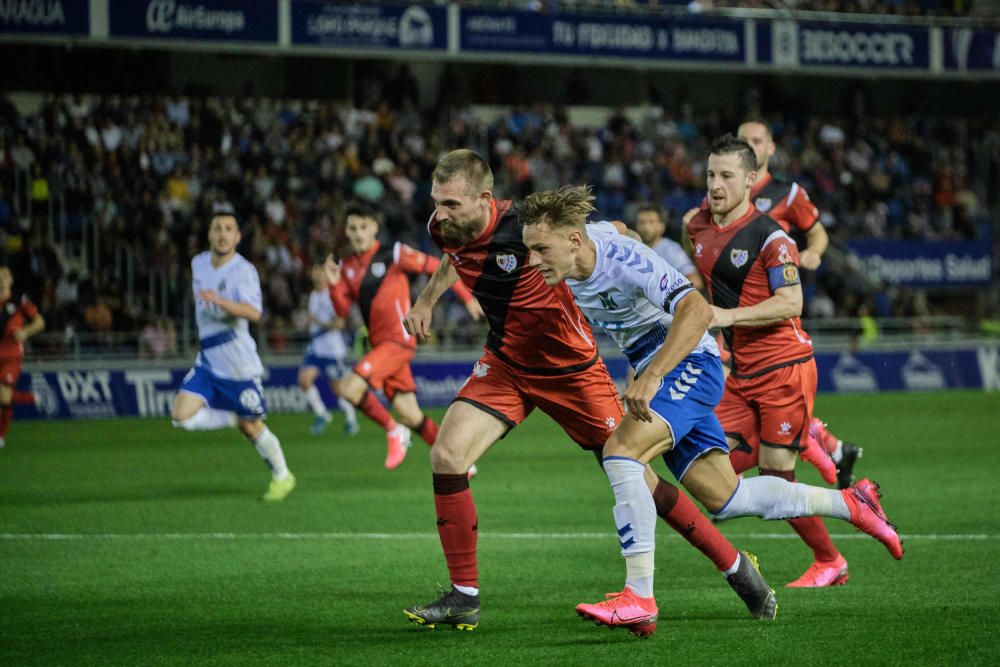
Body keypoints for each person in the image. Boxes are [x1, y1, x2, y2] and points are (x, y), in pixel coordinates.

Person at [402, 149, 776, 633]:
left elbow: (612, 234)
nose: (441, 214)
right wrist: (427, 298)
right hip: (507, 363)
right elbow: (454, 256)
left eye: (452, 204)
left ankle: (735, 566)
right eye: (438, 203)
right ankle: (463, 597)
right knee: (447, 454)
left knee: (634, 474)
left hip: (572, 371)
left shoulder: (528, 227)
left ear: (485, 199)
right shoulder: (443, 227)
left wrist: (635, 247)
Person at [520, 185, 902, 637]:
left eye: (540, 249)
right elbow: (618, 228)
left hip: (690, 364)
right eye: (528, 249)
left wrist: (654, 374)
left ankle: (638, 596)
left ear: (574, 241)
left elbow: (697, 310)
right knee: (726, 498)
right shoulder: (594, 240)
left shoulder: (623, 263)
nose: (533, 261)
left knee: (621, 454)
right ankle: (850, 503)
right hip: (663, 363)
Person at [686, 134, 896, 587]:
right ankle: (829, 466)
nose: (716, 184)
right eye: (710, 175)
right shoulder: (696, 227)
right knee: (710, 469)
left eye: (726, 176)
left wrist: (727, 316)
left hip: (785, 367)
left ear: (749, 181)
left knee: (774, 476)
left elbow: (791, 302)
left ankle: (830, 559)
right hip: (739, 371)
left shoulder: (772, 236)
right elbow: (710, 283)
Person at [737, 118, 861, 488]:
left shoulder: (787, 194)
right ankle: (833, 450)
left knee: (762, 413)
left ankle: (827, 460)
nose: (750, 146)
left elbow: (816, 232)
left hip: (772, 311)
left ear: (771, 148)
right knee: (762, 412)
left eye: (757, 140)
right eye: (743, 140)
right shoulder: (721, 191)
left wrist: (814, 253)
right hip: (733, 314)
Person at [322, 202, 480, 470]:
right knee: (410, 414)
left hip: (398, 340)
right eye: (353, 228)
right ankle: (461, 461)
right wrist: (334, 283)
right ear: (346, 232)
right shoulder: (347, 267)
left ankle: (393, 430)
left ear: (374, 228)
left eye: (363, 226)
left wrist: (466, 297)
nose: (358, 233)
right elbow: (341, 310)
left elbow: (438, 267)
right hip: (379, 344)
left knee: (349, 388)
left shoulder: (392, 254)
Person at [170, 206, 296, 502]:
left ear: (237, 237)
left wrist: (220, 302)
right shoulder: (198, 263)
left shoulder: (244, 271)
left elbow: (254, 312)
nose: (222, 234)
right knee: (180, 416)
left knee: (252, 426)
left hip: (238, 364)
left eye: (229, 229)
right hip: (208, 360)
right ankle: (231, 415)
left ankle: (282, 475)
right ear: (209, 234)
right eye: (217, 228)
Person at [299, 264, 359, 437]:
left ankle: (351, 419)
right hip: (316, 348)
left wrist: (317, 322)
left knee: (338, 389)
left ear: (327, 275)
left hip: (333, 350)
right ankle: (322, 415)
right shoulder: (312, 295)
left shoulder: (332, 295)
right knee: (304, 380)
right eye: (315, 272)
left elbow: (340, 323)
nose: (317, 276)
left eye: (320, 272)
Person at [0, 266, 45, 448]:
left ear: (10, 280)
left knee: (4, 397)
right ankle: (30, 398)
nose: (1, 279)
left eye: (4, 276)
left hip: (11, 355)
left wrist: (26, 332)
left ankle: (1, 435)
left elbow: (40, 322)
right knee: (4, 395)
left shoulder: (20, 300)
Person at [633, 204, 704, 290]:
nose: (646, 227)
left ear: (661, 226)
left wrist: (665, 294)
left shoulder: (671, 249)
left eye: (651, 222)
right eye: (641, 222)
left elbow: (695, 281)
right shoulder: (631, 249)